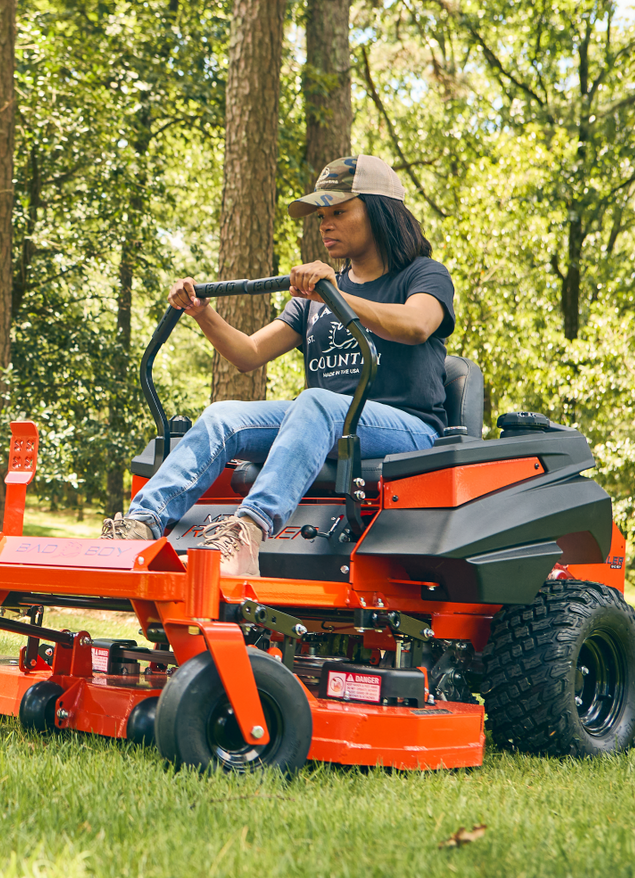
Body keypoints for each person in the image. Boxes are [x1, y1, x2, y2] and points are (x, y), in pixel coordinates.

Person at [100, 155, 456, 577]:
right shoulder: (319, 293)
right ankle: (141, 525)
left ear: (381, 212)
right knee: (223, 416)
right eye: (322, 216)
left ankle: (247, 532)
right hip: (323, 419)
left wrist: (335, 297)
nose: (325, 224)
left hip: (409, 429)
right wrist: (202, 313)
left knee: (316, 402)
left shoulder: (424, 275)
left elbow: (417, 325)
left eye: (339, 212)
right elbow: (248, 354)